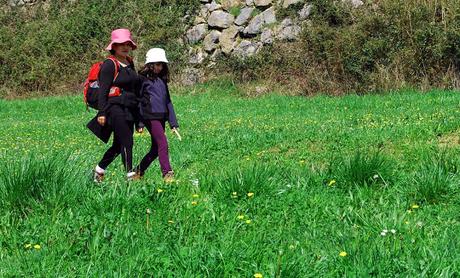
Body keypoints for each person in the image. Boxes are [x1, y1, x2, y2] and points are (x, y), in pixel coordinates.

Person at [92, 28, 142, 183]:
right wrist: (102, 112)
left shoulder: (130, 62)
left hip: (129, 108)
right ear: (114, 46)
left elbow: (135, 89)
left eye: (128, 44)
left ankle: (99, 170)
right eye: (121, 44)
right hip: (114, 108)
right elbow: (103, 91)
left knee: (119, 144)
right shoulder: (109, 64)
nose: (125, 47)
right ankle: (130, 176)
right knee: (127, 140)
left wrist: (139, 119)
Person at [133, 48, 181, 183]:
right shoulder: (142, 79)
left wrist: (173, 123)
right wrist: (140, 123)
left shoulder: (162, 80)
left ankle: (138, 172)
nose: (160, 67)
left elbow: (168, 102)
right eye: (158, 64)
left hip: (161, 117)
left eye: (162, 64)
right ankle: (167, 174)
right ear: (150, 64)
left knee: (155, 149)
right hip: (150, 117)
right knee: (163, 144)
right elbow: (138, 102)